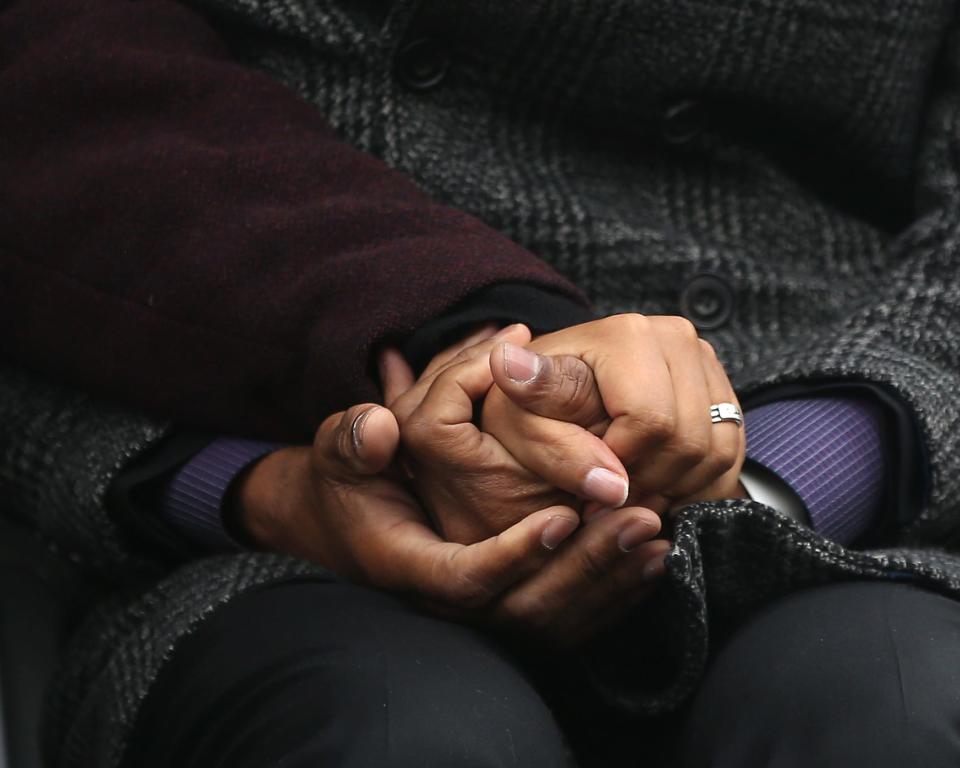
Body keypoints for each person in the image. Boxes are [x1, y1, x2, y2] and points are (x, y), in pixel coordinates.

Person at [2, 0, 960, 766]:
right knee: (391, 730)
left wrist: (769, 471)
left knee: (892, 704)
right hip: (278, 481)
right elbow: (48, 102)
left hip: (838, 473)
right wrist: (259, 491)